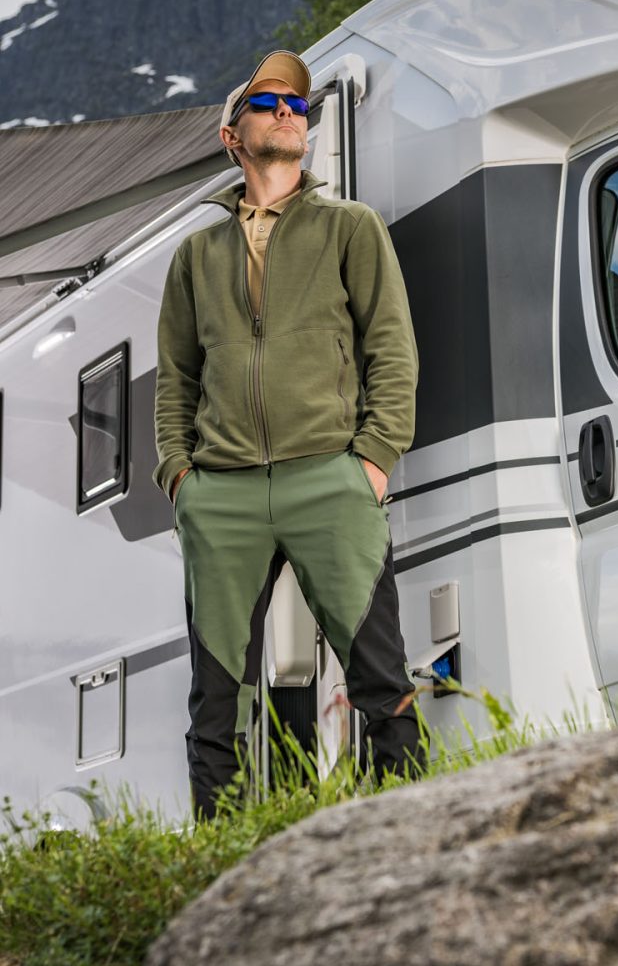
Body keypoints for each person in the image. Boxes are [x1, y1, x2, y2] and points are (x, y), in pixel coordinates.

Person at [151, 50, 421, 820]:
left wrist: (372, 458)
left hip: (329, 479)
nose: (286, 115)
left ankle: (411, 843)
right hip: (222, 494)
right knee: (215, 706)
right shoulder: (194, 258)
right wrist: (181, 478)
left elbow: (391, 348)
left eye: (298, 108)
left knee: (380, 678)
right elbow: (175, 377)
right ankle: (222, 868)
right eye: (269, 104)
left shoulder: (350, 229)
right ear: (232, 135)